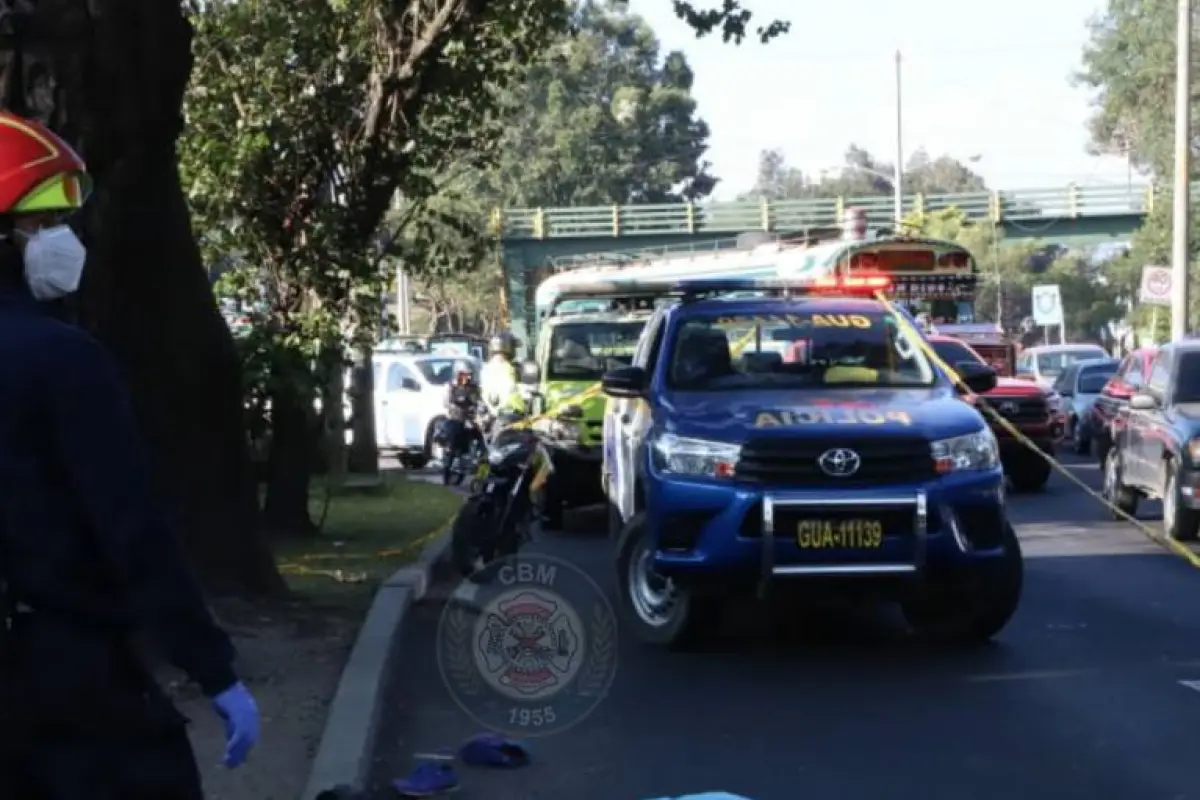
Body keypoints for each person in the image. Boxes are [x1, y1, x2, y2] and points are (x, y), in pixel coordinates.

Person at [0, 110, 259, 798]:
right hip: (69, 686)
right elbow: (131, 530)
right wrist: (213, 669)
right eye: (39, 221)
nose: (60, 239)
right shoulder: (61, 361)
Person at [480, 331, 525, 416]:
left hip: (489, 415)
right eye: (514, 347)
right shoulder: (512, 369)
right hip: (512, 414)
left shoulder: (485, 368)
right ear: (509, 348)